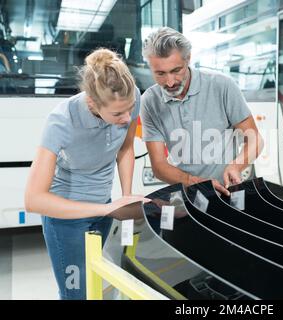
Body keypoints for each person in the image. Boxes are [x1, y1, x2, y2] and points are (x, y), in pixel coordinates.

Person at [24, 48, 149, 300]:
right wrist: (107, 209)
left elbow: (125, 148)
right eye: (117, 114)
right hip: (66, 220)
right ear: (92, 102)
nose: (127, 118)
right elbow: (33, 199)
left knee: (93, 285)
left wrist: (125, 200)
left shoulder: (130, 96)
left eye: (130, 110)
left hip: (104, 209)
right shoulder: (61, 121)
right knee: (76, 293)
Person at [140, 27, 264, 195]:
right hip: (185, 194)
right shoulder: (149, 101)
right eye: (160, 74)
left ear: (188, 59)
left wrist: (236, 166)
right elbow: (159, 166)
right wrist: (196, 183)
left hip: (227, 191)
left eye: (176, 71)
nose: (169, 83)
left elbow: (255, 139)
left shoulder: (222, 86)